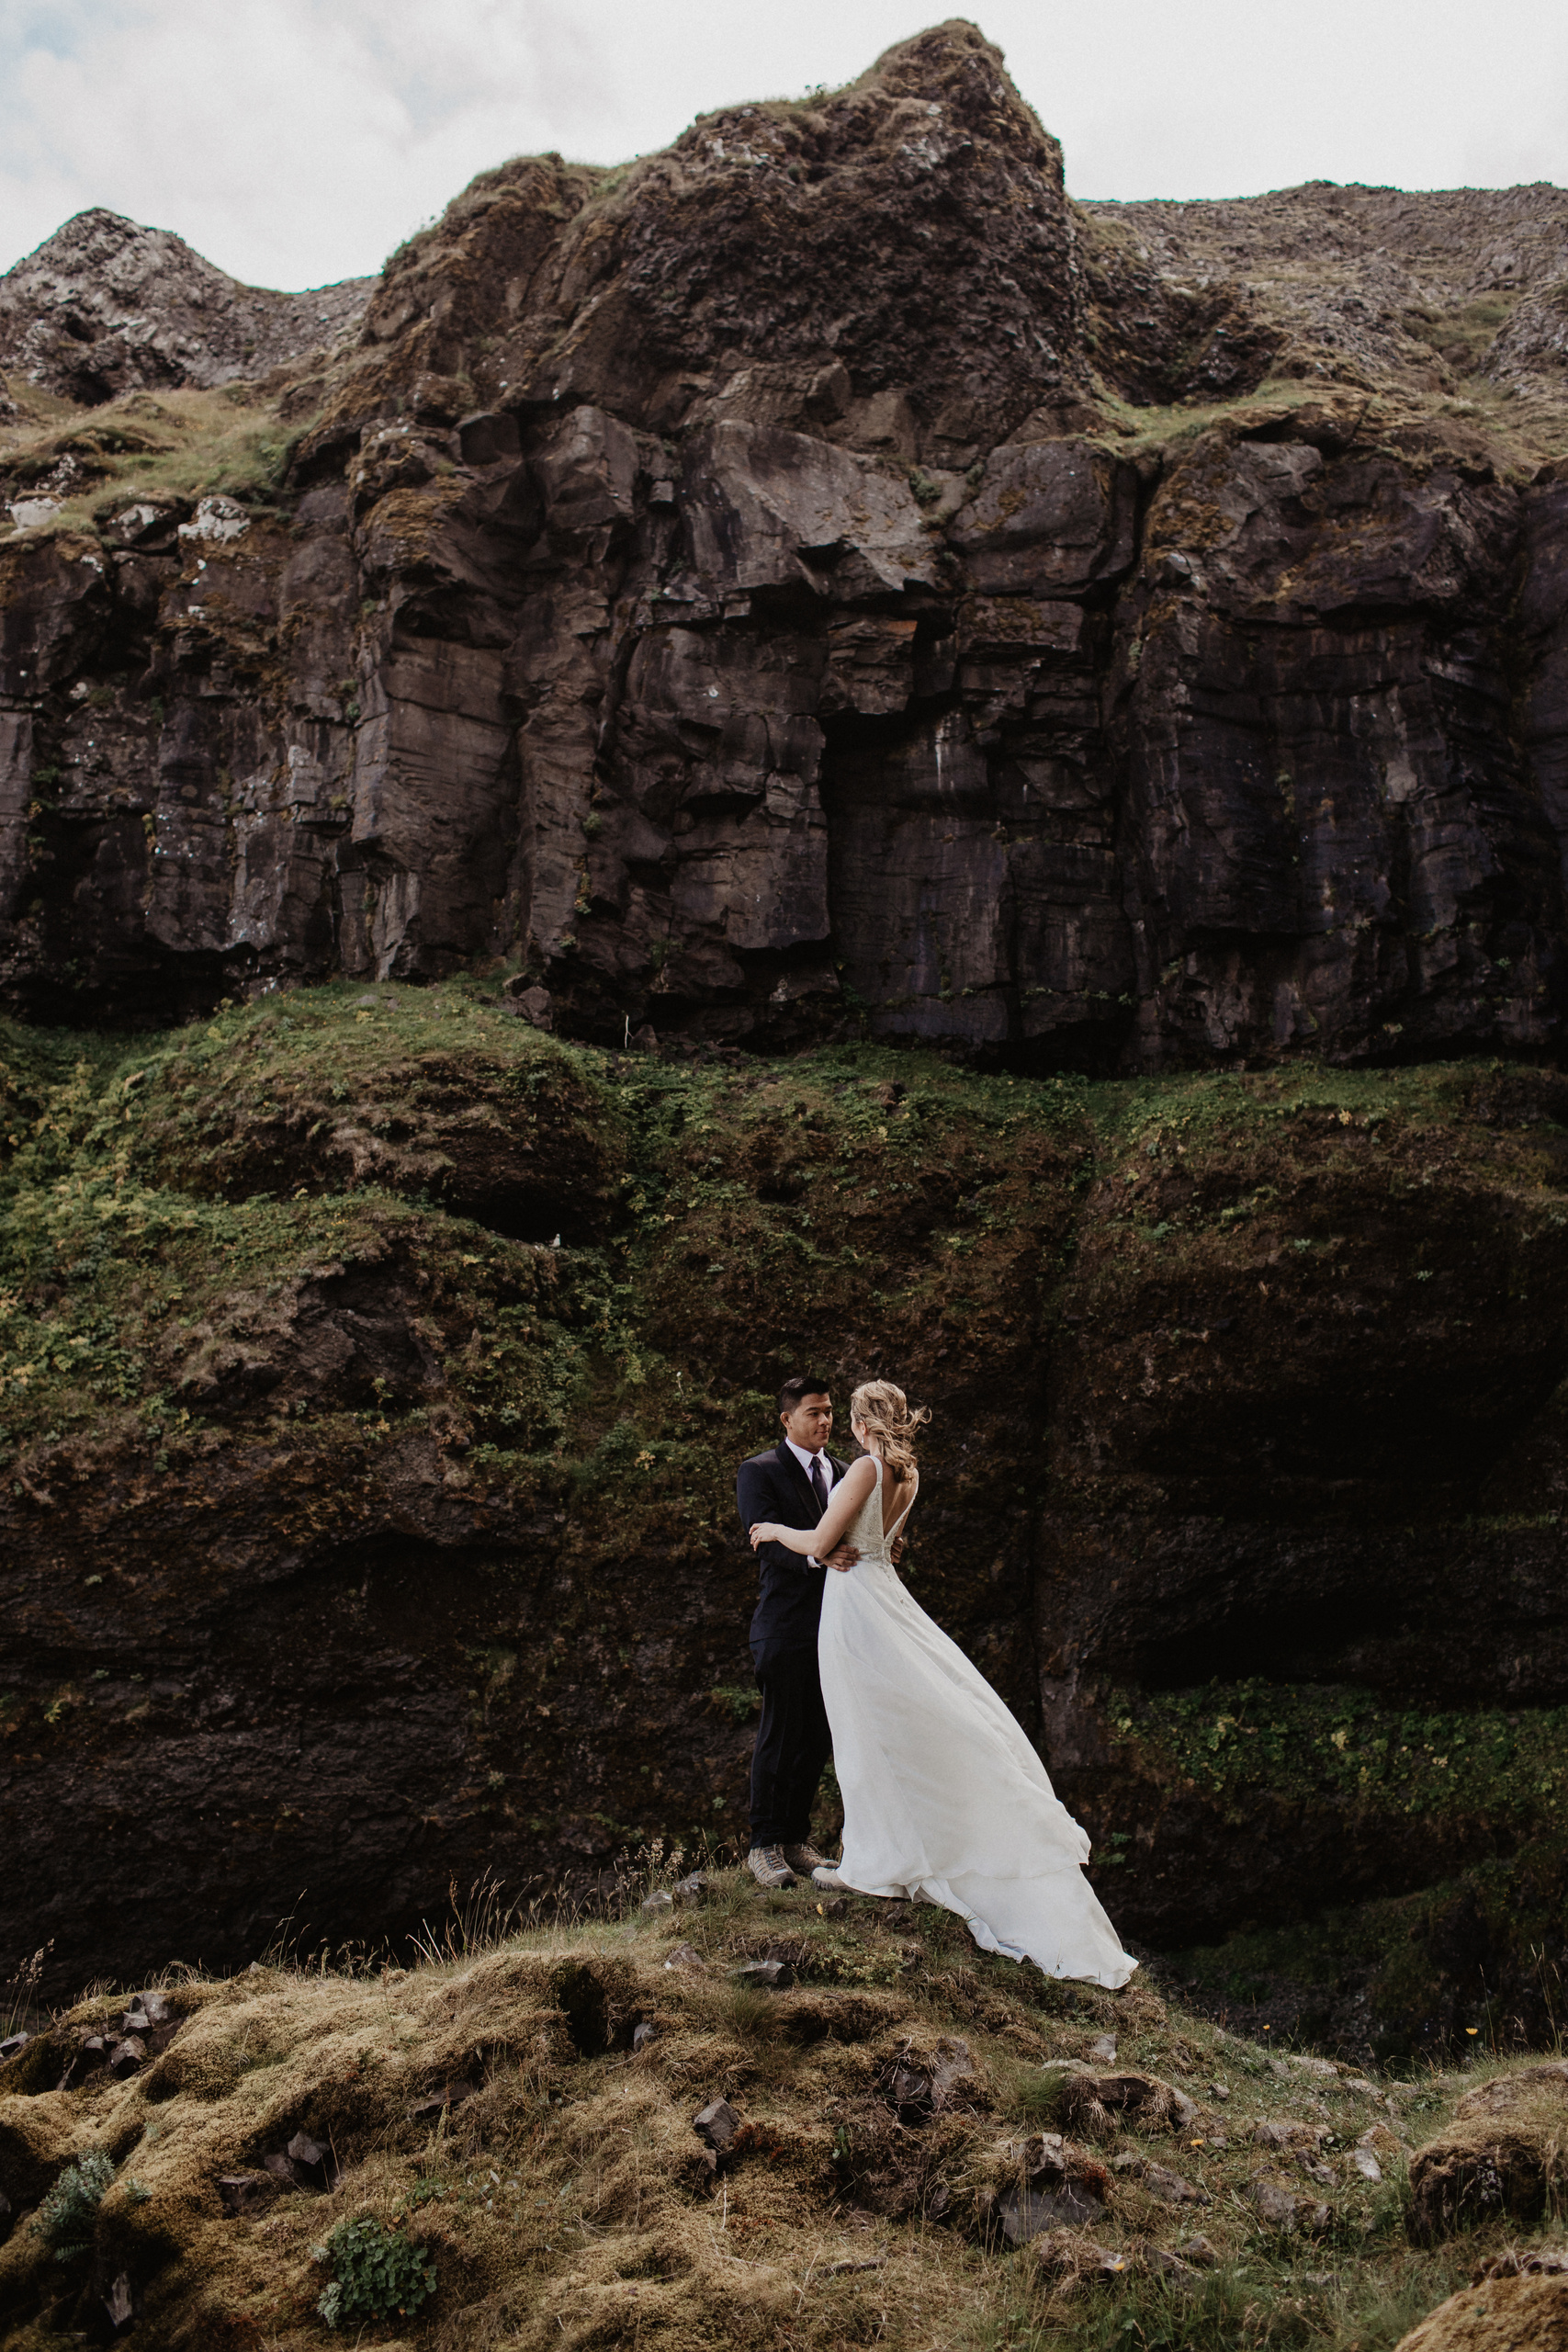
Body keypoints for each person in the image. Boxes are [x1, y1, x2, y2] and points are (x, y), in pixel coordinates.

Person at [748, 1378, 1136, 1989]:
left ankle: (874, 1862)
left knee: (863, 1730)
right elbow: (890, 1544)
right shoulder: (909, 1474)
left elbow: (822, 1545)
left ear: (859, 1422)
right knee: (882, 1725)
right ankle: (885, 1850)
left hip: (853, 1611)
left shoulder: (863, 1472)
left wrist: (772, 1530)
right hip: (884, 1595)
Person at [735, 1376, 859, 1891]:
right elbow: (765, 1541)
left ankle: (794, 1840)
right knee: (780, 1734)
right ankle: (763, 1845)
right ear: (787, 1419)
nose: (825, 1421)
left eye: (830, 1411)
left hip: (838, 1628)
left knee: (817, 1737)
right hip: (784, 1626)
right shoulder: (759, 1471)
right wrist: (817, 1553)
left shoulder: (846, 1472)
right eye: (814, 1412)